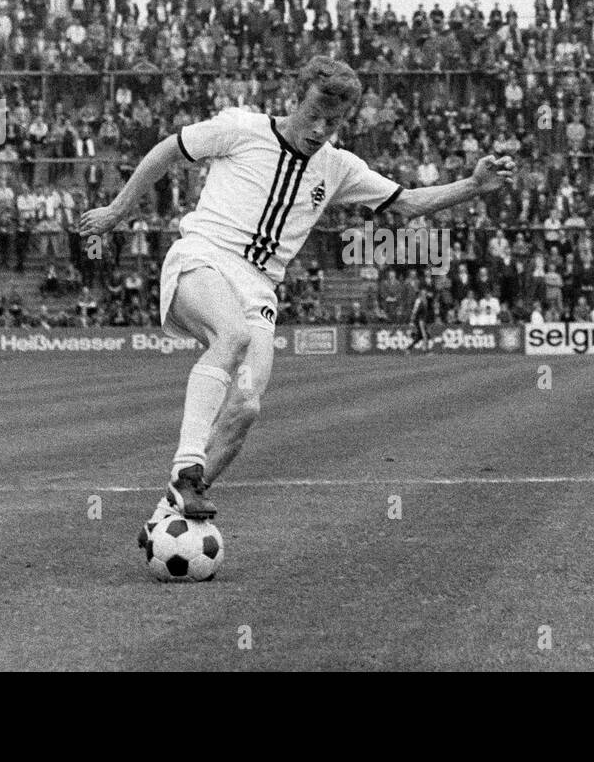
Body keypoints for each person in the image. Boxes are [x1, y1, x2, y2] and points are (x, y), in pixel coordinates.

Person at [77, 57, 515, 543]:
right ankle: (185, 469)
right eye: (314, 116)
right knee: (233, 335)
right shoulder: (240, 128)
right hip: (203, 256)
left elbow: (408, 202)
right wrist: (118, 209)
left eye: (335, 123)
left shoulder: (338, 167)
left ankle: (167, 514)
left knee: (245, 405)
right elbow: (166, 151)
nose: (321, 130)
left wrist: (473, 186)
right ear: (297, 98)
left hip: (260, 287)